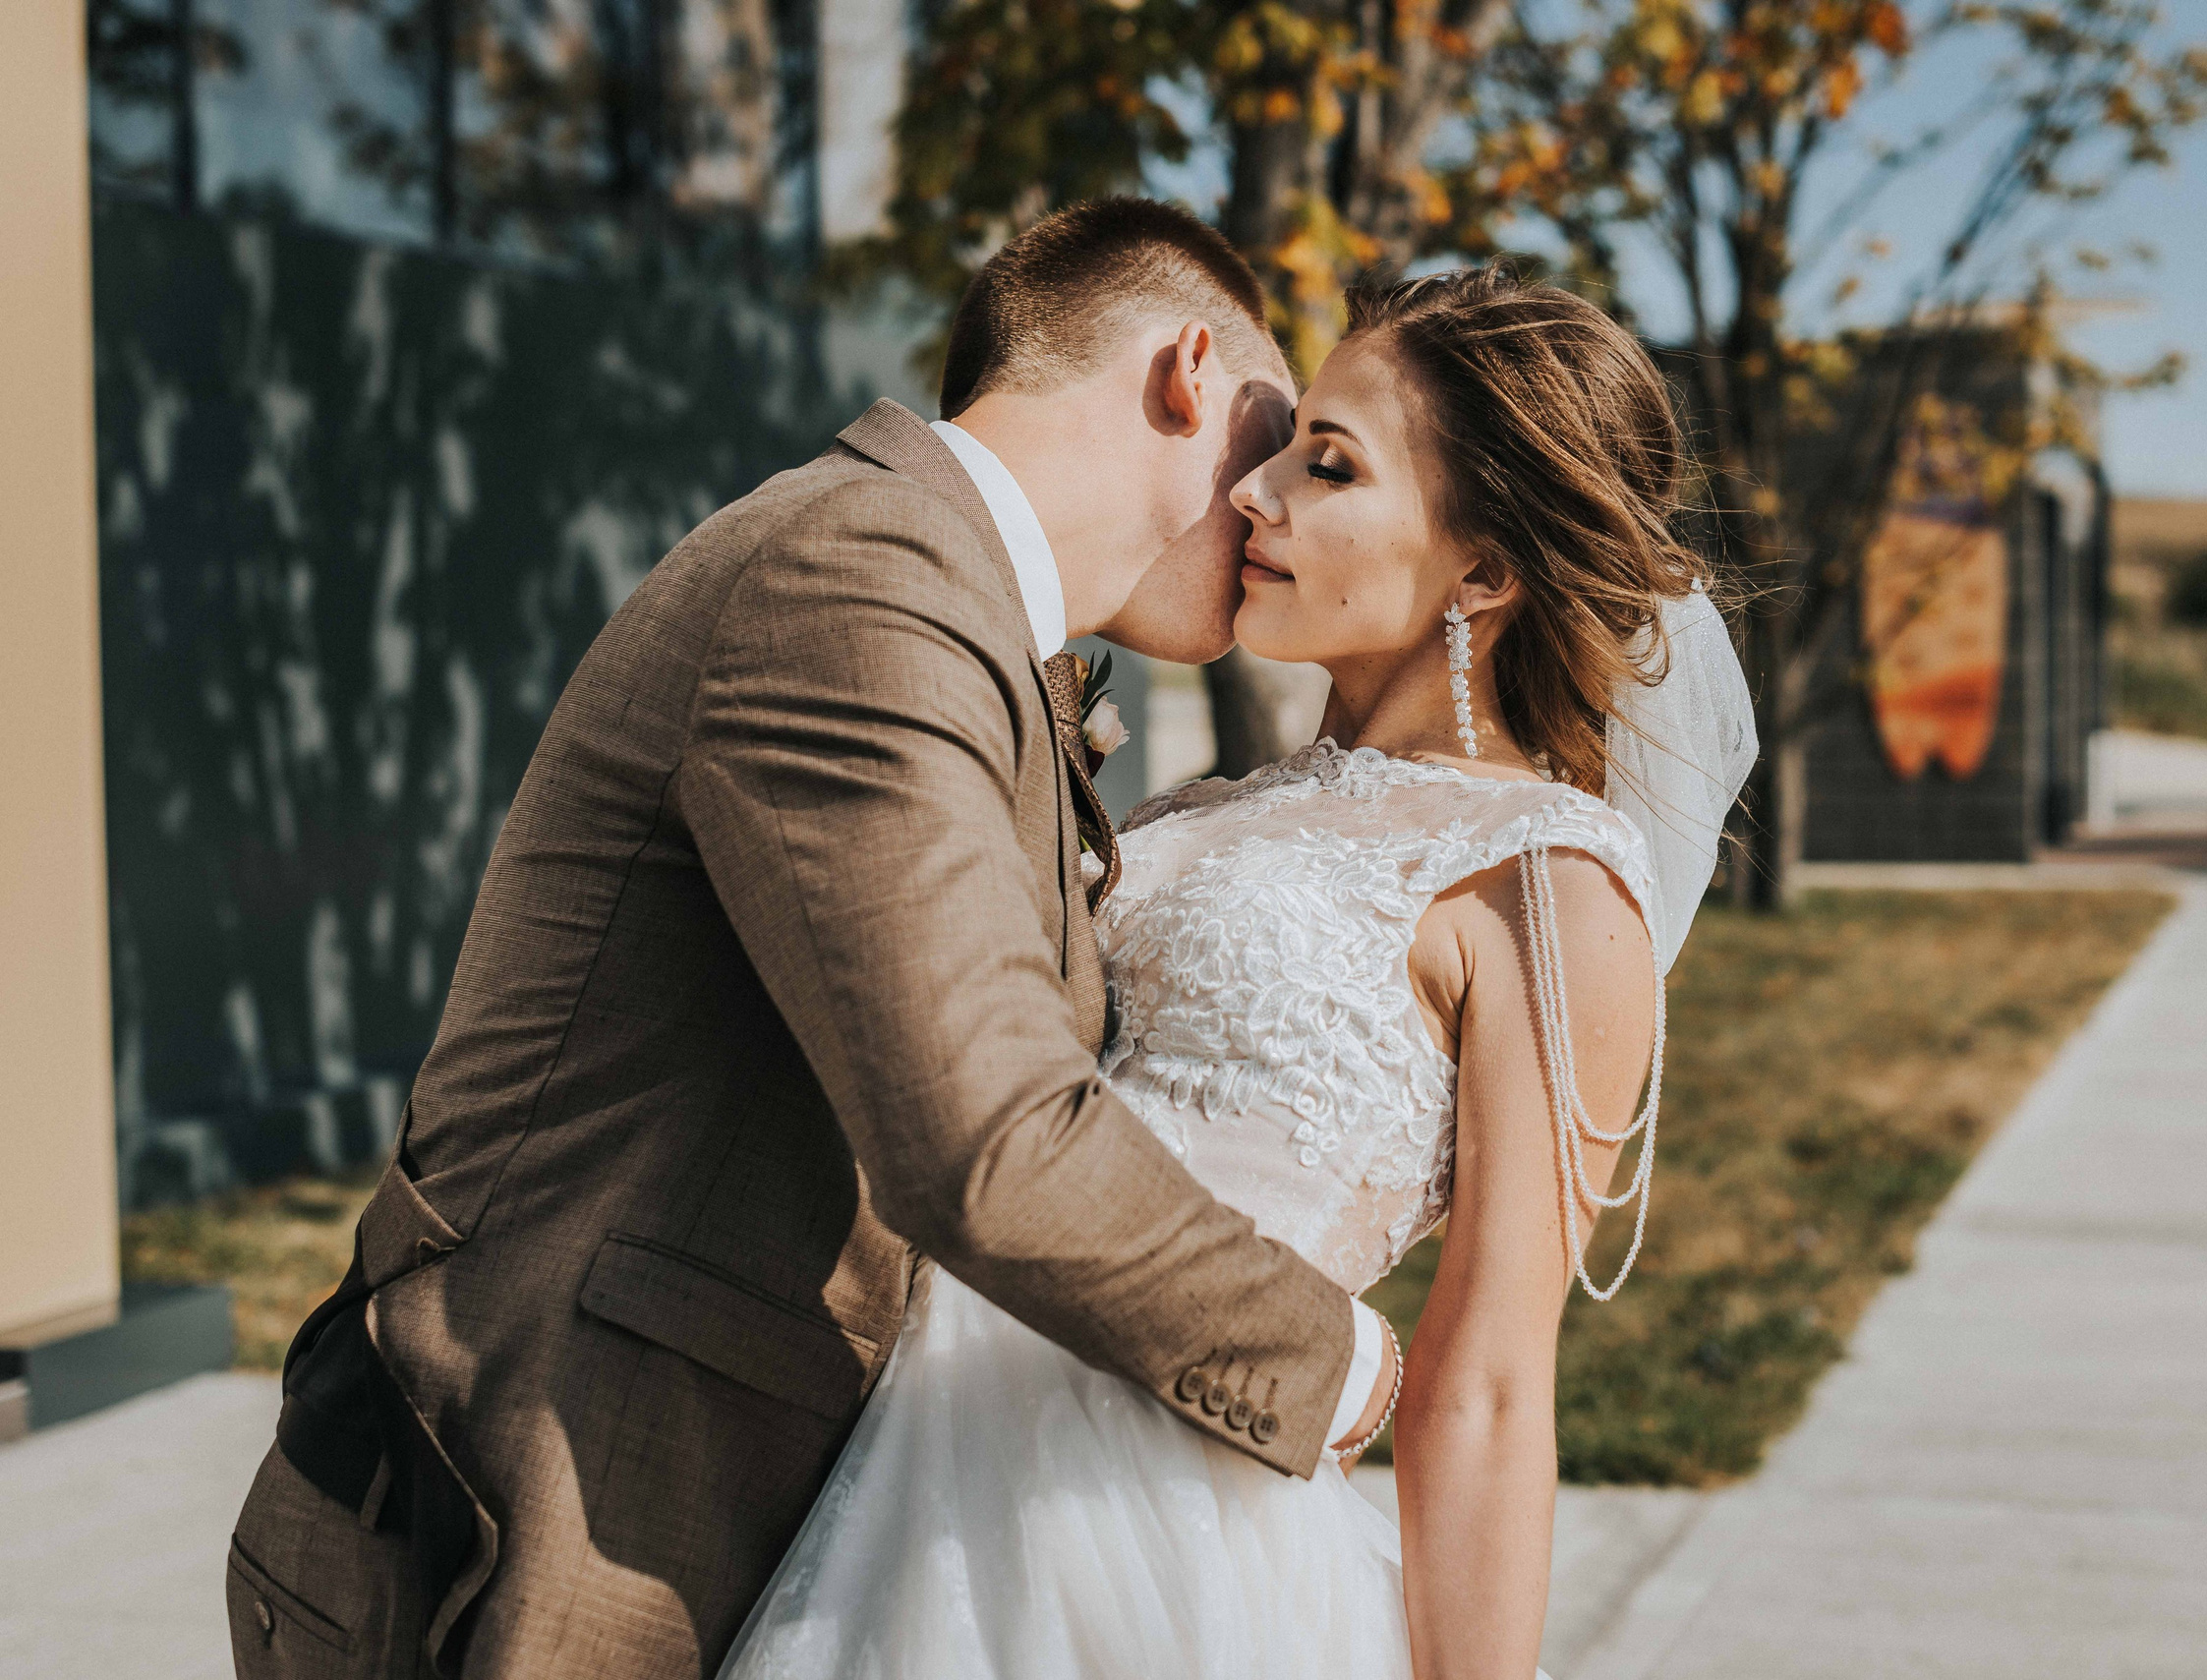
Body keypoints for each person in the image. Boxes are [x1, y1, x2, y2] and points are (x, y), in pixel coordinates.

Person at [223, 199, 1403, 1680]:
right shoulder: (865, 573)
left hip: (657, 1500)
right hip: (508, 1518)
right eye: (1271, 438)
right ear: (1182, 375)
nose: (1269, 504)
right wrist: (1339, 1359)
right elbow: (987, 1139)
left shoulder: (952, 604)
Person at [721, 265, 1756, 1678]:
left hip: (1167, 1541)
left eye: (1328, 463)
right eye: (1278, 448)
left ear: (1484, 570)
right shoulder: (1194, 810)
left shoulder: (1549, 881)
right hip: (913, 1459)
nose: (1253, 493)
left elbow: (1493, 1385)